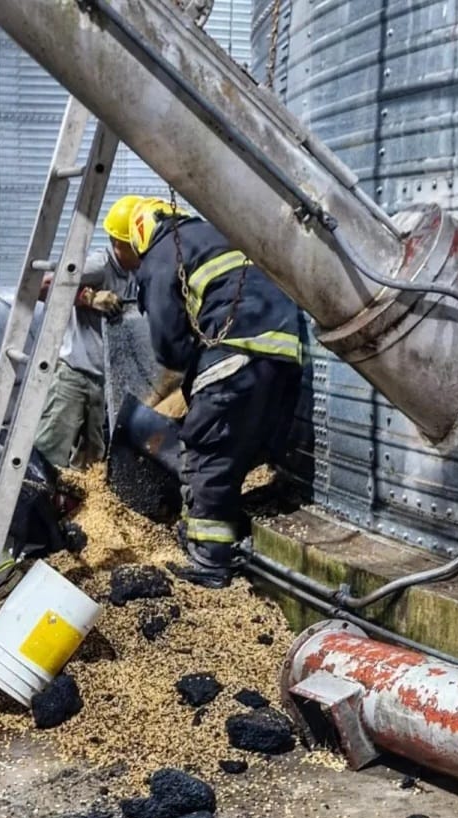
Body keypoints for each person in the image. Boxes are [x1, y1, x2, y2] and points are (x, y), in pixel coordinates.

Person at [109, 195, 304, 588]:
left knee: (205, 453)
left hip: (236, 351)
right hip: (285, 354)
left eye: (117, 247)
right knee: (244, 447)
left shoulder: (163, 254)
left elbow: (171, 348)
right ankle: (220, 528)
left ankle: (210, 561)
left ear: (131, 238)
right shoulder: (212, 231)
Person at [33, 195, 141, 468]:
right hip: (73, 375)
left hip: (99, 381)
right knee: (50, 451)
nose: (142, 251)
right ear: (119, 243)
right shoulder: (98, 265)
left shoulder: (131, 273)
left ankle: (75, 509)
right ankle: (35, 505)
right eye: (136, 244)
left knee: (92, 461)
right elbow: (43, 286)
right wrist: (87, 298)